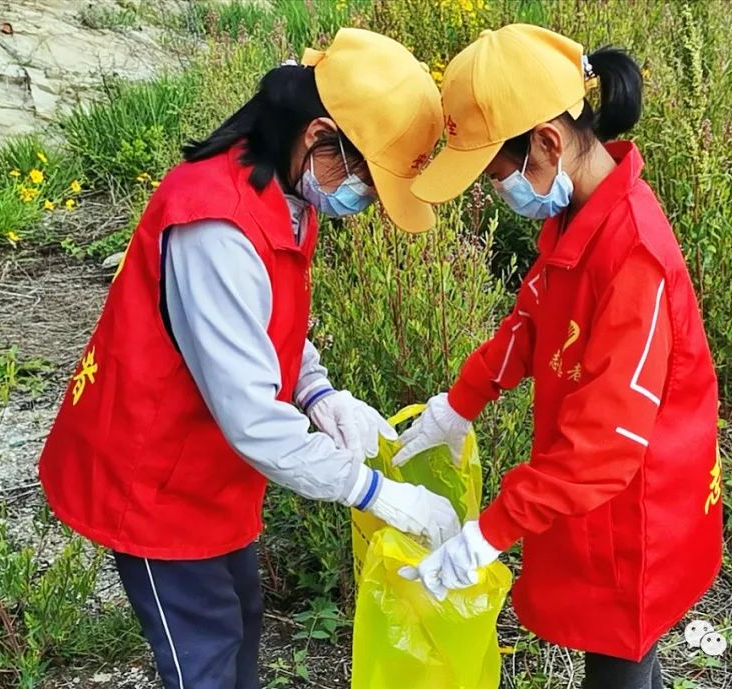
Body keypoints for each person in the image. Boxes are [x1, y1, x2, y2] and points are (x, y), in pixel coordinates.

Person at [38, 28, 459, 689]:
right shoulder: (214, 225)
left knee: (238, 618)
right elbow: (253, 419)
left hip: (212, 470)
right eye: (369, 182)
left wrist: (319, 393)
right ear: (319, 134)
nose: (368, 202)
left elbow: (271, 321)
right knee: (201, 655)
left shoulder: (290, 190)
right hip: (154, 478)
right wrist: (376, 493)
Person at [396, 24, 723, 689]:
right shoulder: (574, 215)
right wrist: (457, 405)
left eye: (497, 174)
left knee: (621, 660)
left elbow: (605, 445)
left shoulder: (633, 255)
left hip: (639, 505)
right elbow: (532, 322)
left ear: (548, 141)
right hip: (592, 488)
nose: (498, 192)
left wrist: (488, 531)